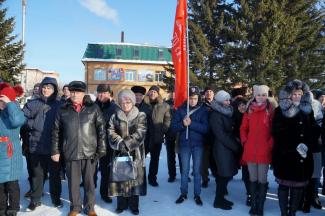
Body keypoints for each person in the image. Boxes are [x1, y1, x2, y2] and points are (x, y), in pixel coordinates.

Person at [51, 81, 106, 216]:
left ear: (83, 93)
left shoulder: (93, 108)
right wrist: (55, 150)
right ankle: (75, 207)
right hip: (71, 152)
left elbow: (101, 130)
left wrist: (102, 149)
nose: (75, 94)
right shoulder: (63, 109)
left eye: (78, 92)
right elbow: (56, 132)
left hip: (90, 153)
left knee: (89, 183)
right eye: (72, 91)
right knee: (73, 183)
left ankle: (90, 207)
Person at [272, 80, 320, 216]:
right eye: (294, 94)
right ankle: (284, 213)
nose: (297, 96)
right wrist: (293, 146)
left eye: (300, 93)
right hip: (285, 155)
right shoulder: (280, 110)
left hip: (303, 156)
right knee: (284, 185)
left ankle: (292, 213)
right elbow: (277, 131)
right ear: (289, 95)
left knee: (298, 186)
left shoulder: (308, 110)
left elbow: (314, 130)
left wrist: (306, 144)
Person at [22, 77, 63, 211]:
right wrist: (33, 124)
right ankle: (35, 200)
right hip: (36, 145)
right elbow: (22, 119)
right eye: (44, 87)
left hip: (53, 147)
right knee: (37, 175)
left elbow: (64, 124)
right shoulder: (33, 103)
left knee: (55, 176)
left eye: (49, 88)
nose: (46, 90)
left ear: (54, 90)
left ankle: (56, 198)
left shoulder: (59, 105)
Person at [107, 89, 147, 215]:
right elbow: (110, 131)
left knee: (135, 179)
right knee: (121, 179)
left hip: (136, 153)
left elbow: (140, 133)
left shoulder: (141, 116)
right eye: (123, 102)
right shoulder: (115, 116)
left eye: (128, 101)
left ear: (133, 102)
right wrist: (119, 143)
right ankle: (121, 204)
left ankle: (134, 205)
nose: (125, 104)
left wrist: (127, 144)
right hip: (119, 153)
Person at [240, 85, 274, 216]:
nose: (261, 97)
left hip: (264, 150)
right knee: (252, 178)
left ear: (267, 96)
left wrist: (270, 144)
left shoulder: (270, 110)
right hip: (250, 150)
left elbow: (274, 130)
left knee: (262, 179)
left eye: (264, 94)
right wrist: (245, 141)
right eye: (259, 94)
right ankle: (254, 204)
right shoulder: (249, 110)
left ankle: (260, 205)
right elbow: (243, 128)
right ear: (255, 95)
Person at [172, 86, 209, 206]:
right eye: (191, 98)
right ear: (187, 98)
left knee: (197, 171)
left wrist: (191, 124)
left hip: (198, 145)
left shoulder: (203, 110)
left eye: (195, 98)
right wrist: (183, 124)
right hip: (185, 144)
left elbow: (205, 128)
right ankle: (183, 193)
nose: (193, 101)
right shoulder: (181, 110)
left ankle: (197, 194)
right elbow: (173, 127)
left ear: (198, 98)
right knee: (184, 170)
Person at [210, 90, 241, 210]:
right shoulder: (215, 114)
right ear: (219, 100)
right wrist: (235, 146)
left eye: (229, 99)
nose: (228, 102)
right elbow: (220, 134)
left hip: (227, 147)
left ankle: (221, 197)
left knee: (226, 174)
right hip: (221, 147)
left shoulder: (227, 112)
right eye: (225, 100)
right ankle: (218, 200)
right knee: (223, 175)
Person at [0, 83, 25, 216]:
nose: (1, 103)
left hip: (11, 152)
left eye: (3, 100)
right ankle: (1, 207)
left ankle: (14, 207)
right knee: (0, 183)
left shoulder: (15, 111)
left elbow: (17, 122)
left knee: (12, 183)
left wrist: (9, 104)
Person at [95, 84, 119, 203]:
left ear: (110, 94)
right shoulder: (92, 106)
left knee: (105, 171)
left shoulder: (115, 108)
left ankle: (104, 193)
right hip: (92, 143)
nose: (101, 95)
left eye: (104, 92)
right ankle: (89, 191)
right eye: (99, 92)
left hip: (108, 145)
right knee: (91, 171)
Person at [145, 85, 171, 187]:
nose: (152, 93)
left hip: (157, 137)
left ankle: (152, 178)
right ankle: (140, 178)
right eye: (151, 91)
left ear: (158, 94)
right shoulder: (143, 104)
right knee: (140, 159)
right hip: (144, 137)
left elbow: (167, 119)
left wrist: (163, 130)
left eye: (154, 92)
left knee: (154, 159)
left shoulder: (164, 106)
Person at [232, 97, 250, 206]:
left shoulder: (249, 115)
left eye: (244, 105)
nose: (242, 107)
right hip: (238, 145)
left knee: (248, 167)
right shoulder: (234, 116)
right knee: (244, 166)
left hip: (249, 145)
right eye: (240, 105)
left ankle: (250, 191)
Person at [201, 86, 218, 188]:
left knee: (216, 160)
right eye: (207, 91)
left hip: (216, 137)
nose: (209, 93)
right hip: (204, 137)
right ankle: (205, 179)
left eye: (211, 91)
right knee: (204, 162)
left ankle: (218, 179)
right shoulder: (201, 105)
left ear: (213, 94)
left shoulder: (218, 105)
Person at [131, 86, 152, 155]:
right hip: (130, 140)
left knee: (140, 162)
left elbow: (150, 126)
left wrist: (149, 142)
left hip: (143, 140)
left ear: (143, 96)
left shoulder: (147, 108)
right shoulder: (128, 106)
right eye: (136, 95)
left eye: (140, 95)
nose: (138, 97)